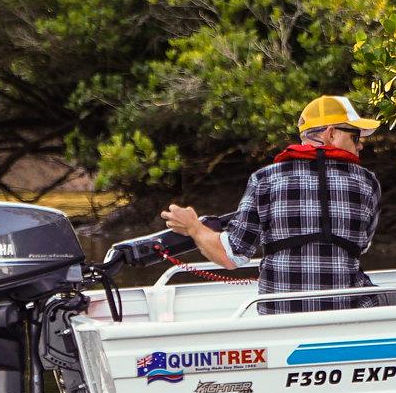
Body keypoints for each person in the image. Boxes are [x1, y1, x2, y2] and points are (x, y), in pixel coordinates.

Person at [162, 95, 384, 314]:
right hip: (346, 311)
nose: (361, 145)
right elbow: (361, 246)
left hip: (279, 314)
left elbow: (230, 256)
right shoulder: (368, 183)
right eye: (356, 137)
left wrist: (193, 226)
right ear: (332, 134)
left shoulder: (264, 179)